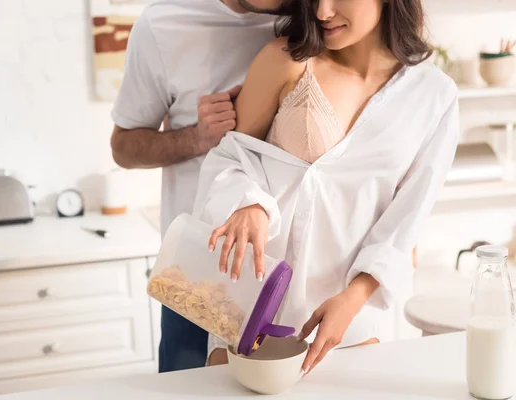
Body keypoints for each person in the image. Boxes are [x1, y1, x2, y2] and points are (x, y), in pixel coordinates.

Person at [192, 0, 460, 372]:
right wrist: (248, 203)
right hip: (253, 300)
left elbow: (407, 218)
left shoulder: (435, 95)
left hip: (352, 314)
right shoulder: (286, 59)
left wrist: (354, 297)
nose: (322, 12)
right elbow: (232, 158)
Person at [109, 0, 288, 373]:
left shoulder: (318, 17)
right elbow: (123, 147)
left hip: (292, 275)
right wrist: (197, 138)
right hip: (196, 274)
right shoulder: (164, 24)